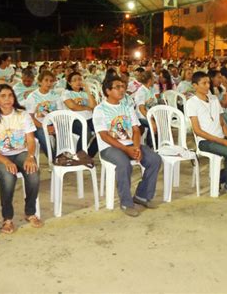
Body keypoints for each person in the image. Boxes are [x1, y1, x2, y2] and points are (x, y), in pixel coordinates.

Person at [93, 76, 162, 217]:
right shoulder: (100, 109)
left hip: (130, 144)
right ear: (108, 91)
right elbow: (104, 136)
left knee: (154, 159)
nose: (122, 89)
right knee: (124, 164)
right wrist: (126, 149)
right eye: (117, 87)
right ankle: (126, 202)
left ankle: (142, 196)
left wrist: (136, 148)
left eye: (123, 86)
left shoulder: (127, 107)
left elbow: (136, 130)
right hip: (109, 147)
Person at [0, 84, 43, 234]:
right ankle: (7, 218)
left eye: (10, 95)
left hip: (21, 153)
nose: (7, 99)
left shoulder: (22, 115)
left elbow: (30, 139)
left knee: (33, 172)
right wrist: (6, 161)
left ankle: (30, 212)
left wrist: (30, 156)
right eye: (3, 96)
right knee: (8, 176)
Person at [25, 70, 61, 158]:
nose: (49, 83)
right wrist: (45, 127)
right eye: (46, 80)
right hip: (38, 124)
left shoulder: (55, 95)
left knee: (63, 131)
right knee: (42, 134)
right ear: (40, 82)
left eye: (51, 81)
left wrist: (55, 125)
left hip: (53, 122)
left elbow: (59, 113)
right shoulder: (32, 97)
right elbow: (30, 118)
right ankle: (53, 159)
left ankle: (60, 155)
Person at [62, 72, 98, 157]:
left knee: (103, 132)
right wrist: (87, 107)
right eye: (74, 80)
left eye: (79, 79)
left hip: (89, 119)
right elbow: (72, 106)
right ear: (70, 83)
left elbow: (94, 106)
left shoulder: (85, 93)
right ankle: (79, 156)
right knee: (87, 132)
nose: (78, 82)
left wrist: (88, 90)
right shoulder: (66, 93)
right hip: (74, 120)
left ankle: (89, 155)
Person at [134, 71, 158, 147]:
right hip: (141, 116)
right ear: (149, 80)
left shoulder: (150, 89)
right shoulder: (141, 91)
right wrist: (151, 120)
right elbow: (141, 109)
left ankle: (157, 143)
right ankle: (151, 146)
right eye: (153, 78)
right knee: (153, 125)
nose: (154, 80)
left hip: (150, 114)